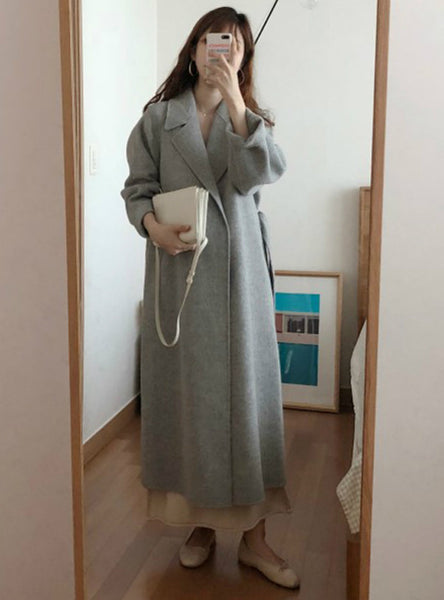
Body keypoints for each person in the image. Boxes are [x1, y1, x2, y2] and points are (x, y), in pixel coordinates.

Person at [120, 6, 300, 589]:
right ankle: (198, 525)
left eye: (233, 45)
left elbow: (264, 172)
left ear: (244, 58)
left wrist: (239, 107)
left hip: (239, 276)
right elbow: (137, 190)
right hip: (182, 273)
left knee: (246, 400)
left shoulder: (250, 122)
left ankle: (255, 539)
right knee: (191, 401)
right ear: (194, 49)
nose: (219, 51)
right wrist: (152, 227)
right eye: (210, 40)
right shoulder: (158, 119)